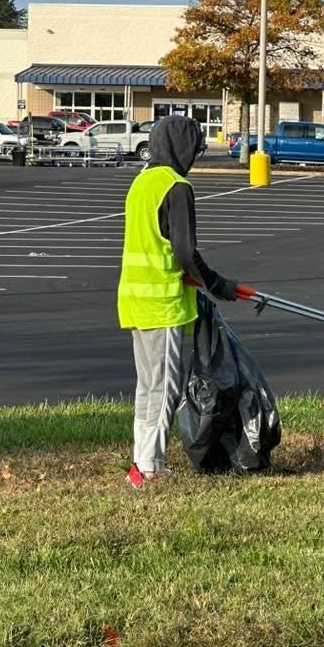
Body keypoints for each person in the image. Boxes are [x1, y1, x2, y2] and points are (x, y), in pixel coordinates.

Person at [117, 115, 238, 488]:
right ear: (181, 148)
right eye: (194, 150)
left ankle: (142, 460)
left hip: (135, 299)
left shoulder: (141, 183)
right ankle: (149, 468)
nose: (194, 158)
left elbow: (157, 242)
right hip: (162, 302)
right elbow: (185, 251)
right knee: (165, 387)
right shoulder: (176, 186)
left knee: (147, 386)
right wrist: (216, 283)